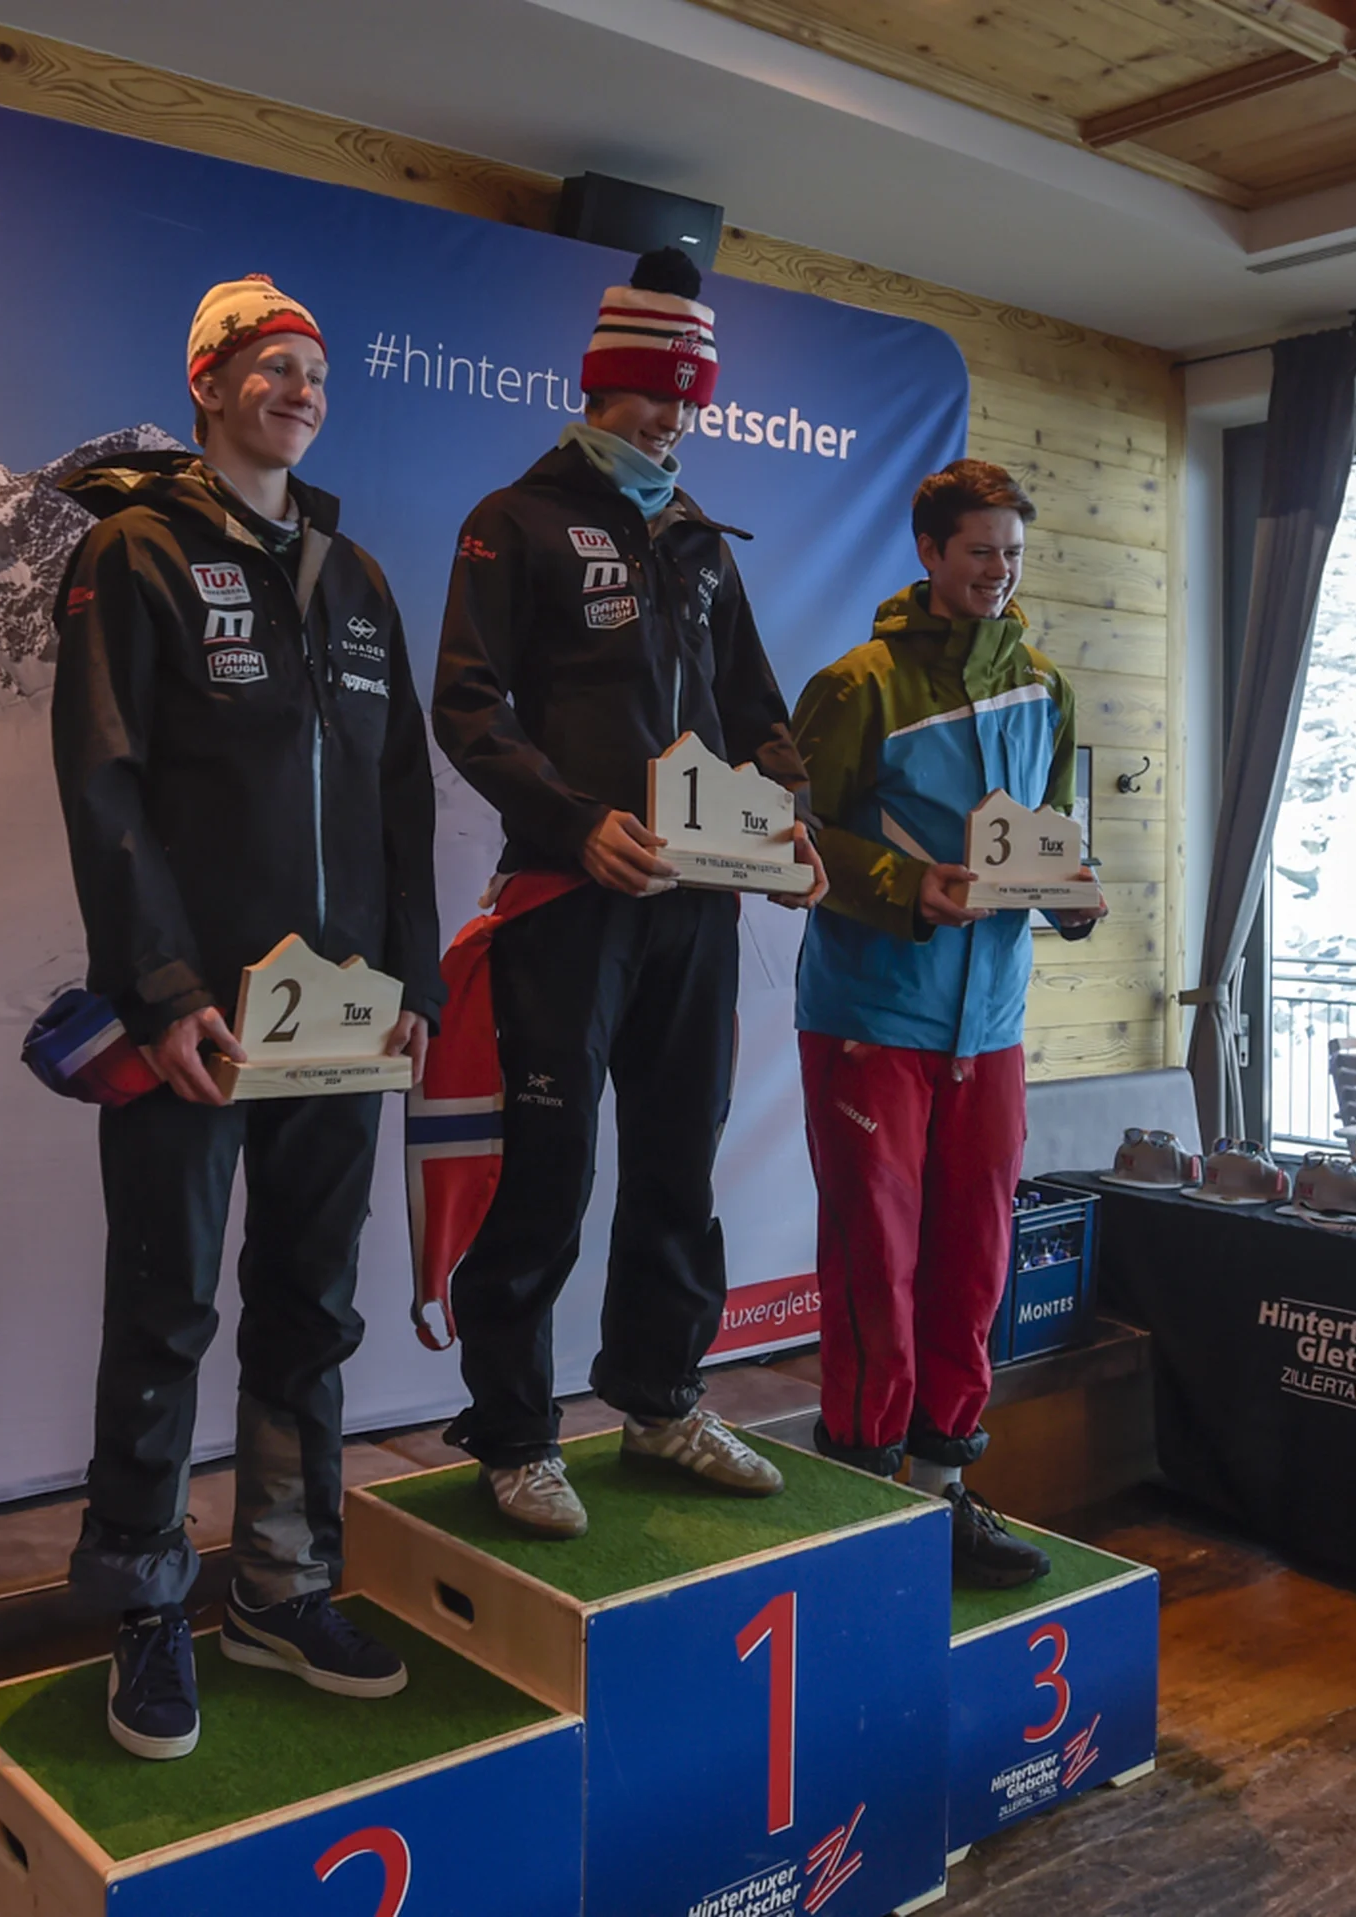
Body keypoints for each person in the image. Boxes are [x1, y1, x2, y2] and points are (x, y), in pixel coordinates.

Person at [50, 274, 442, 1758]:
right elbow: (104, 783)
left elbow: (403, 804)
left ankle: (282, 1586)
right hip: (196, 1028)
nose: (300, 389)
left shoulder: (356, 580)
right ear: (208, 384)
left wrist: (410, 990)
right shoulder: (134, 552)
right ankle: (149, 1606)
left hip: (340, 1024)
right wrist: (157, 993)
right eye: (272, 367)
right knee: (164, 1304)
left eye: (314, 372)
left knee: (309, 1306)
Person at [429, 246, 827, 1538]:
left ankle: (661, 1399)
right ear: (600, 387)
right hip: (567, 898)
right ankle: (514, 1433)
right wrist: (573, 822)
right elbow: (470, 707)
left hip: (697, 913)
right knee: (545, 1171)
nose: (674, 417)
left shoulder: (700, 540)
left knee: (677, 1164)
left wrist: (787, 831)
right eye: (653, 393)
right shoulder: (515, 519)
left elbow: (761, 718)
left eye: (690, 397)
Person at [787, 457, 1104, 1588]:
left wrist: (1076, 894)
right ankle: (859, 1495)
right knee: (878, 1260)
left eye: (1012, 554)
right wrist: (903, 889)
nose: (998, 573)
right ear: (928, 553)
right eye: (979, 552)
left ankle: (940, 1489)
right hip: (874, 1014)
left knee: (975, 1257)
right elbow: (793, 840)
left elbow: (1053, 832)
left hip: (994, 1025)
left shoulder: (1048, 689)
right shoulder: (855, 686)